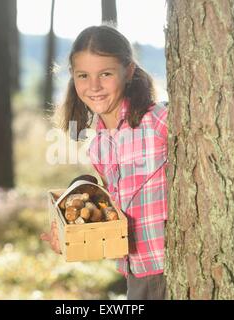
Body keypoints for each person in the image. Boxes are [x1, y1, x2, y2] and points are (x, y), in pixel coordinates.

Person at [40, 25, 168, 300]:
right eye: (83, 76)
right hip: (135, 271)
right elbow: (115, 214)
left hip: (169, 267)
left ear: (129, 71)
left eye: (106, 74)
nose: (94, 86)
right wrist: (68, 232)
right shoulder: (98, 145)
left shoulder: (156, 122)